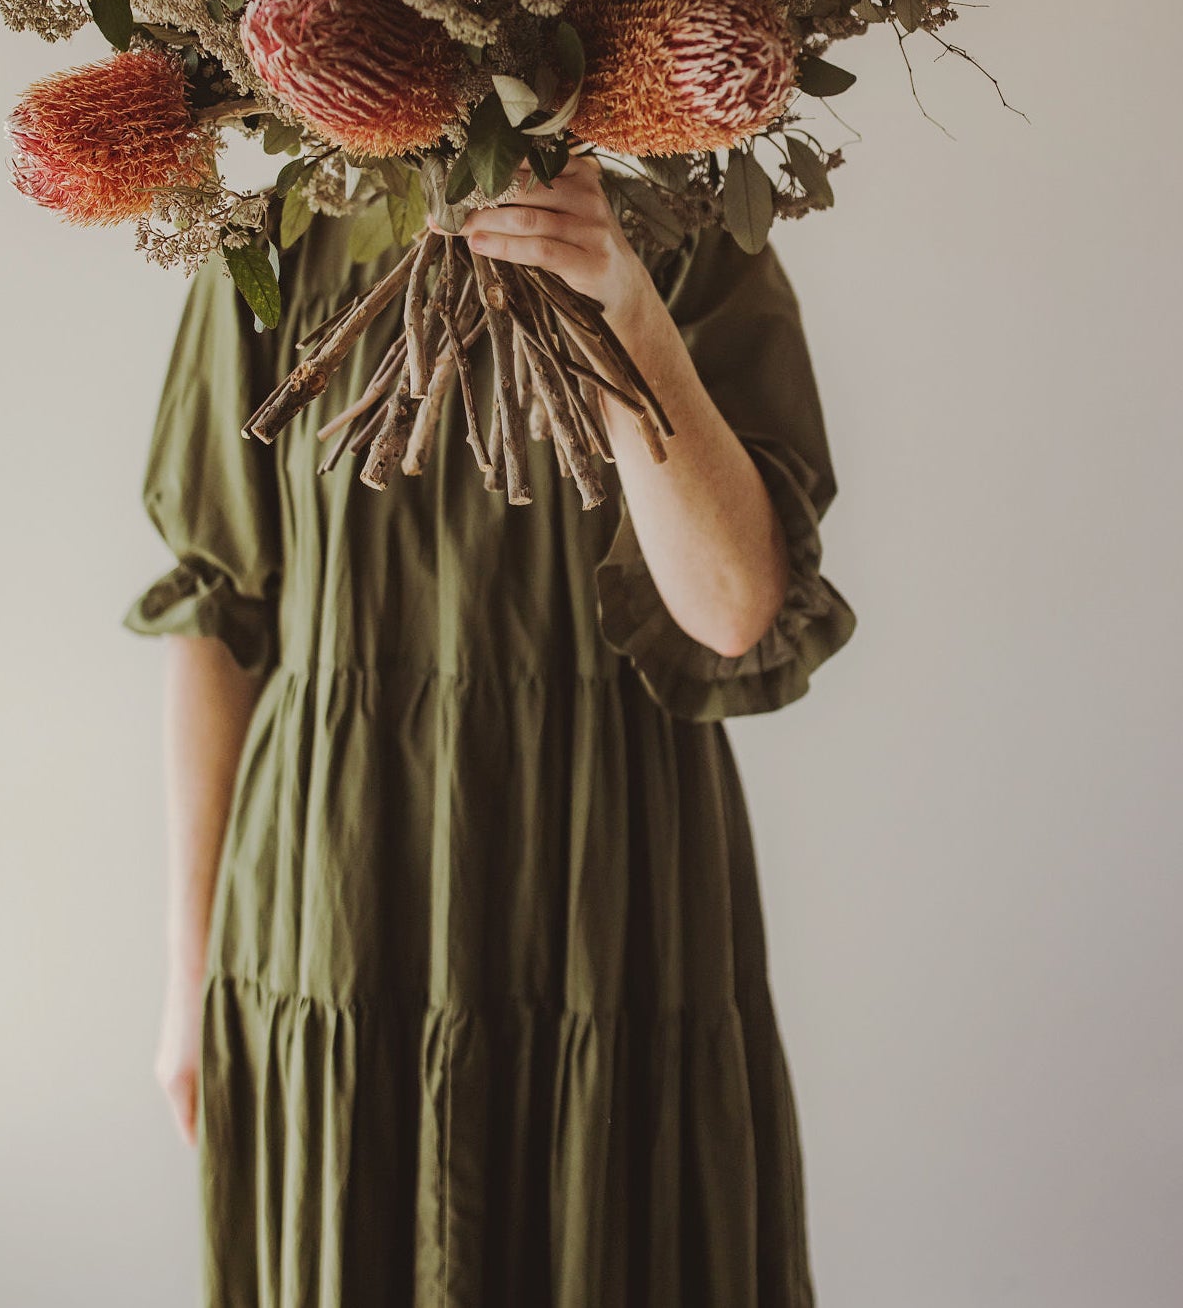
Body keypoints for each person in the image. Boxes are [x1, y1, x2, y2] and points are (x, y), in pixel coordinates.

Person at [123, 151, 857, 1308]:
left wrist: (620, 299)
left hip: (603, 893)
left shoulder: (685, 229)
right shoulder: (274, 242)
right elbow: (217, 618)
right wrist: (188, 982)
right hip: (339, 890)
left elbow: (731, 609)